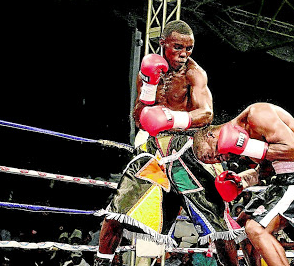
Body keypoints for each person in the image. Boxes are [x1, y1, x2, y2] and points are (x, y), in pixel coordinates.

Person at [95, 20, 239, 266]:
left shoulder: (194, 73)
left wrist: (172, 118)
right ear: (163, 43)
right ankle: (101, 262)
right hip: (153, 153)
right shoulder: (148, 72)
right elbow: (139, 117)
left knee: (216, 224)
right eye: (178, 47)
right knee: (117, 212)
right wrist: (150, 86)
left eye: (189, 48)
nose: (184, 54)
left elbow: (206, 113)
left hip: (185, 149)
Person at [192, 102, 294, 266]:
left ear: (211, 136)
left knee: (255, 228)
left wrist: (246, 146)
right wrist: (242, 181)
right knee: (244, 224)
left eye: (210, 155)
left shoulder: (257, 114)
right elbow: (265, 170)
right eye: (212, 160)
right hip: (285, 178)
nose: (218, 160)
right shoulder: (242, 140)